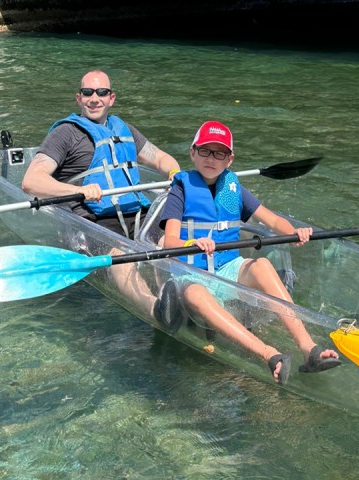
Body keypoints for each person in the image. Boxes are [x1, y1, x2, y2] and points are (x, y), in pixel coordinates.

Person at [159, 120, 341, 385]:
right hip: (190, 273)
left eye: (219, 153)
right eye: (205, 151)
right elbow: (169, 242)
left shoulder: (234, 189)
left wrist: (295, 232)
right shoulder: (181, 189)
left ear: (229, 159)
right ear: (192, 153)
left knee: (262, 266)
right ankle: (269, 354)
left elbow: (273, 221)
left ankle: (308, 348)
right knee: (196, 293)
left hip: (227, 268)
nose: (211, 158)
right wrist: (191, 244)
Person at [21, 69, 182, 323]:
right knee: (119, 257)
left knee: (167, 241)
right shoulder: (65, 134)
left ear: (111, 98)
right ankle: (157, 311)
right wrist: (78, 190)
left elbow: (161, 158)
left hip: (136, 214)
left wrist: (174, 173)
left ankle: (183, 298)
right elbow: (31, 181)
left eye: (101, 92)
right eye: (87, 92)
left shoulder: (124, 129)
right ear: (78, 98)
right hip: (94, 219)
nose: (94, 98)